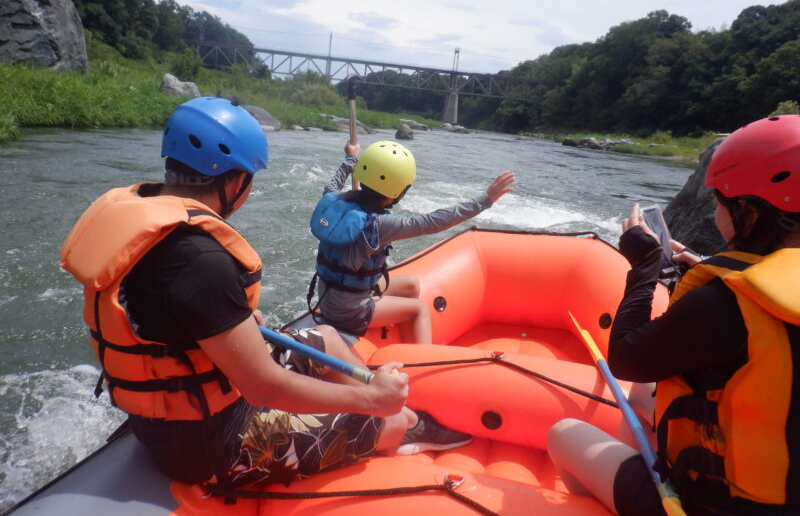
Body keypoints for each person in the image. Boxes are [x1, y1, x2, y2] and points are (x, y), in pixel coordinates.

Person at [60, 97, 472, 492]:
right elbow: (262, 389)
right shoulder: (198, 259)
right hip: (214, 442)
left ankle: (381, 404)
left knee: (326, 338)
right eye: (250, 180)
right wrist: (370, 399)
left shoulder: (147, 221)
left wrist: (234, 321)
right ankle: (398, 420)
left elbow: (174, 313)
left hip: (189, 399)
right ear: (236, 180)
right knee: (394, 422)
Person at [546, 115, 800, 515]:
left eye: (720, 203)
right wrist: (698, 265)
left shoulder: (722, 306)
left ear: (749, 213)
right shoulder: (735, 299)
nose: (717, 214)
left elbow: (627, 359)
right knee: (643, 400)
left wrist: (645, 265)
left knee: (564, 434)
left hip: (720, 507)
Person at [307, 139, 516, 344]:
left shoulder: (333, 201)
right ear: (397, 192)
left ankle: (400, 338)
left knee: (411, 285)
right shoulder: (380, 225)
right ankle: (419, 363)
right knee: (419, 310)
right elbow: (431, 222)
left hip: (329, 296)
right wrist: (485, 199)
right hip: (348, 312)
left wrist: (350, 157)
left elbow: (334, 182)